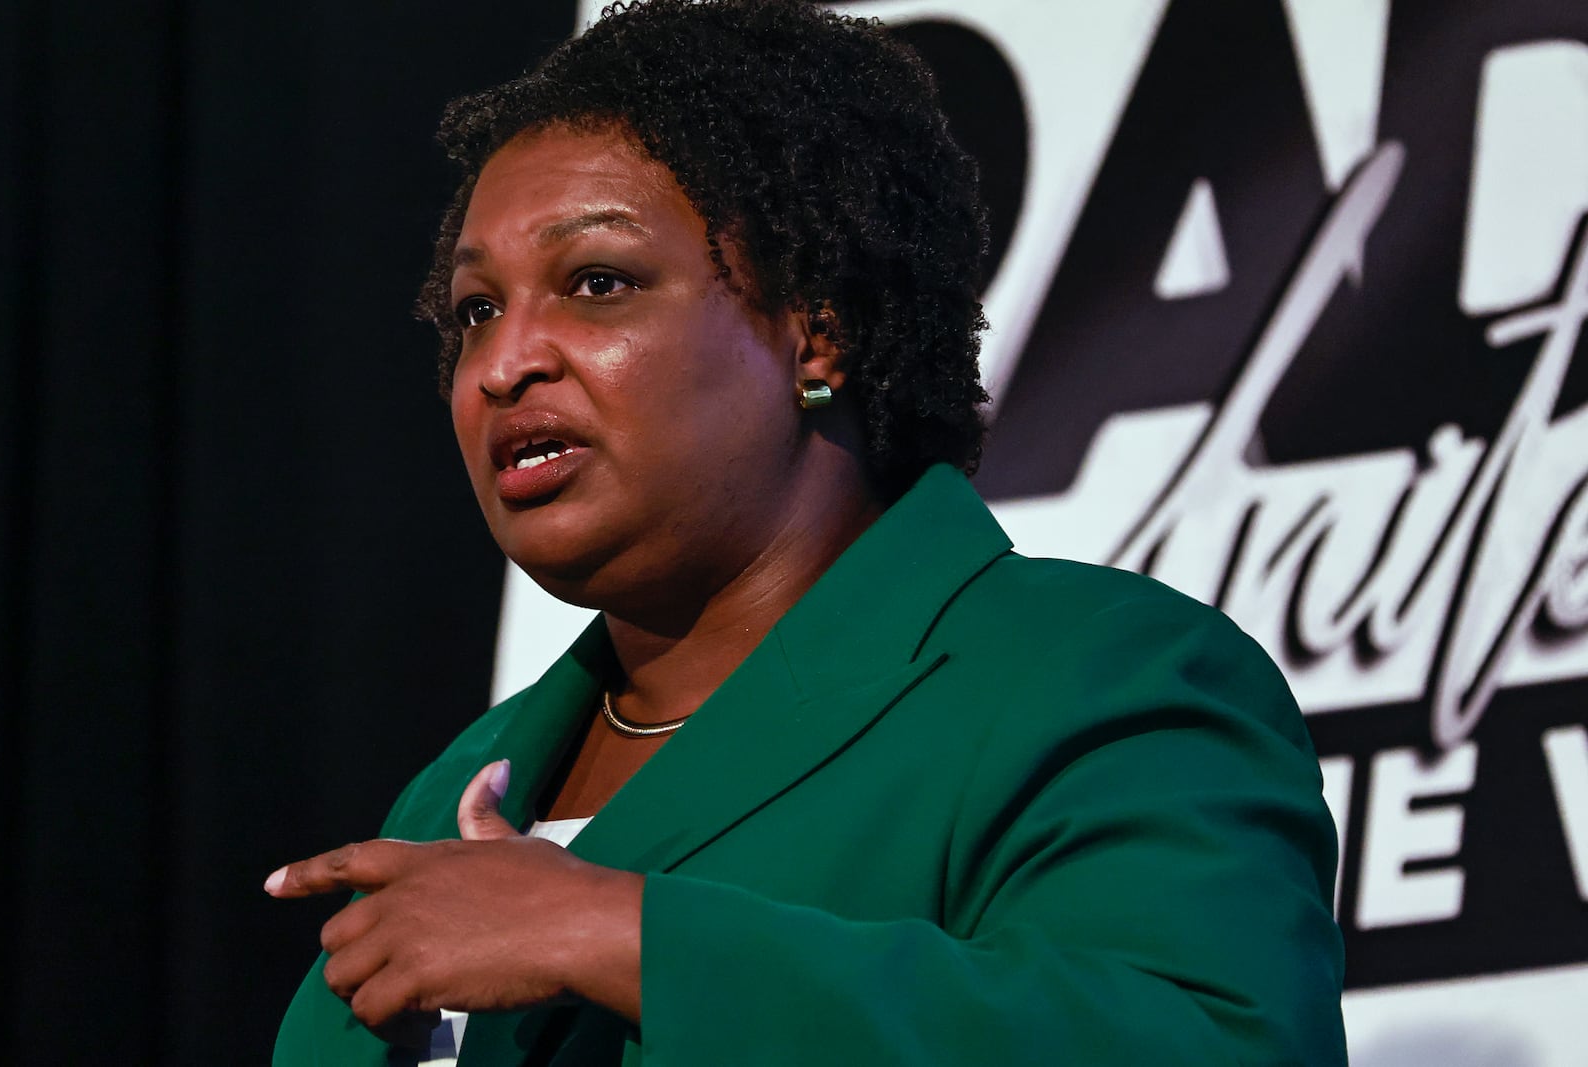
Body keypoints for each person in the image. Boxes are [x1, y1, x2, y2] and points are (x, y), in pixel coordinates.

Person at [266, 1, 1347, 1063]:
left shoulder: (1095, 675)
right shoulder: (457, 789)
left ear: (815, 335)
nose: (504, 363)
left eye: (598, 282)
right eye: (475, 311)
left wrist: (616, 934)